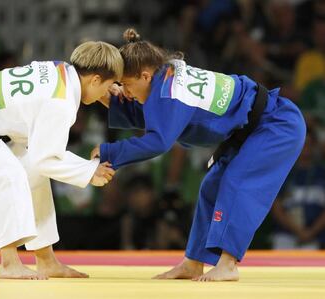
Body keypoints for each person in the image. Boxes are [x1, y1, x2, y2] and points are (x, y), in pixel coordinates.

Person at [92, 29, 306, 281]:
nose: (125, 92)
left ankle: (228, 264)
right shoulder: (165, 75)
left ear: (145, 75)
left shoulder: (170, 90)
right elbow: (157, 113)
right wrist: (109, 98)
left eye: (126, 85)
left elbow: (159, 140)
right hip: (250, 129)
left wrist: (109, 151)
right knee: (211, 187)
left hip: (275, 124)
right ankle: (193, 262)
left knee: (237, 182)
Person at [0, 41, 121, 280]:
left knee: (33, 172)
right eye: (107, 86)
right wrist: (89, 171)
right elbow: (47, 158)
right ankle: (9, 262)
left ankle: (47, 261)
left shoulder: (62, 71)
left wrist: (104, 90)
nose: (106, 94)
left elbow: (40, 159)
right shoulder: (61, 103)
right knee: (9, 174)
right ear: (94, 80)